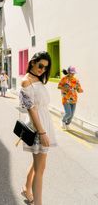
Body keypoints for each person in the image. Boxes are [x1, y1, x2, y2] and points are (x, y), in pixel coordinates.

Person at [19, 51, 57, 205]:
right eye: (40, 65)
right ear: (33, 62)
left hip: (44, 123)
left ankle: (27, 188)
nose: (42, 69)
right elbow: (31, 109)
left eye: (45, 68)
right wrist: (41, 132)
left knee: (38, 165)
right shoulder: (26, 81)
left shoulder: (38, 79)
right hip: (37, 126)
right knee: (40, 169)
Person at [58, 66, 83, 130]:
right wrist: (65, 88)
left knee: (71, 115)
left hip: (74, 99)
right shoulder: (64, 79)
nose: (73, 74)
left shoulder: (76, 80)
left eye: (73, 73)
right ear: (68, 72)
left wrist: (80, 90)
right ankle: (62, 120)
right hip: (66, 98)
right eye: (71, 73)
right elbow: (59, 86)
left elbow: (79, 89)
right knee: (68, 113)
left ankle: (67, 124)